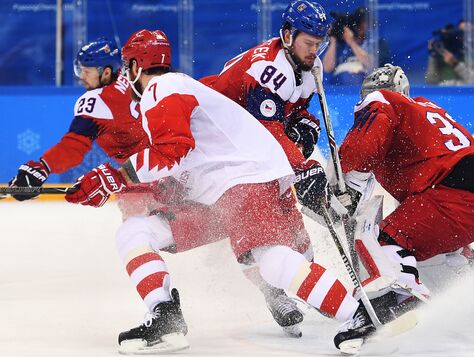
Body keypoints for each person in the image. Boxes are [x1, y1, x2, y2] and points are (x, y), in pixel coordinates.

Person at [64, 29, 376, 354]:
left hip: (245, 184)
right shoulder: (174, 90)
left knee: (270, 261)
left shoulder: (162, 88)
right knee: (135, 232)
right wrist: (118, 182)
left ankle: (358, 315)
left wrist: (112, 176)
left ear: (132, 67)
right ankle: (165, 319)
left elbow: (173, 150)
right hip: (227, 194)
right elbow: (177, 165)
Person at [334, 63, 474, 344]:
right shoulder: (426, 111)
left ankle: (399, 296)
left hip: (456, 190)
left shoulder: (384, 101)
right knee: (419, 237)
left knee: (385, 236)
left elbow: (360, 152)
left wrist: (341, 175)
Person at [200, 0, 336, 333]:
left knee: (286, 212)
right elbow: (269, 128)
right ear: (287, 35)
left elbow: (288, 114)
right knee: (253, 215)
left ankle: (301, 275)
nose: (314, 51)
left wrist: (306, 124)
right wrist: (302, 164)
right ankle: (271, 289)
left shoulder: (304, 65)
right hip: (215, 144)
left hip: (243, 138)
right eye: (309, 43)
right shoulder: (270, 69)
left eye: (320, 44)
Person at [8, 38, 148, 202]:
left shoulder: (98, 100)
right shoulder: (133, 78)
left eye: (87, 72)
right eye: (80, 70)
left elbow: (74, 146)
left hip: (146, 175)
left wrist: (43, 168)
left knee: (139, 223)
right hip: (167, 162)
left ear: (107, 72)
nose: (82, 76)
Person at [322, 7, 391, 85]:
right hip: (340, 84)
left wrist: (351, 42)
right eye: (358, 23)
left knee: (356, 78)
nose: (361, 27)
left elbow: (371, 64)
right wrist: (333, 39)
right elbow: (327, 68)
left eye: (365, 23)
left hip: (366, 81)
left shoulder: (377, 43)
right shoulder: (340, 43)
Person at [425, 20, 474, 85]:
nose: (465, 37)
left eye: (469, 33)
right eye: (462, 32)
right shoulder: (440, 56)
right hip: (444, 94)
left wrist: (455, 64)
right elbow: (431, 82)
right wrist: (433, 56)